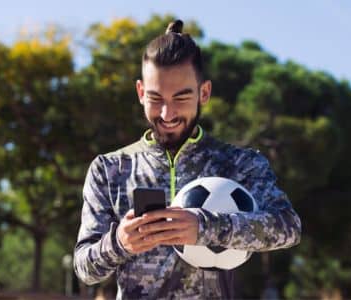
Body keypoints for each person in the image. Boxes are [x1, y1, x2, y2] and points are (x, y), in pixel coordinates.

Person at [74, 20, 301, 299]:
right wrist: (119, 242)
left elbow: (288, 227)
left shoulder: (241, 164)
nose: (167, 114)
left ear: (204, 93)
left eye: (181, 98)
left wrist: (206, 227)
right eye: (156, 99)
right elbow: (84, 268)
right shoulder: (109, 170)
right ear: (141, 92)